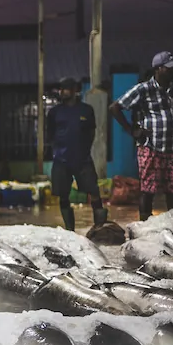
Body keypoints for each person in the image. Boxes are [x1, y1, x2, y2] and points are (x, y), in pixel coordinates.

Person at [111, 51, 173, 222]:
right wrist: (132, 130)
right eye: (168, 69)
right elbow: (115, 107)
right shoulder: (143, 89)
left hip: (172, 148)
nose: (172, 71)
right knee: (148, 191)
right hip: (151, 147)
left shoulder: (172, 89)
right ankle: (145, 229)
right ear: (158, 69)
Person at [47, 77, 107, 232]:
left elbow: (91, 132)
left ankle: (100, 227)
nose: (62, 91)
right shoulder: (54, 112)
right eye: (61, 88)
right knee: (63, 195)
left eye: (66, 88)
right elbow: (50, 134)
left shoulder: (86, 110)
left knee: (93, 191)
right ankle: (69, 229)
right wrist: (58, 150)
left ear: (74, 90)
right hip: (61, 159)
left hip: (83, 159)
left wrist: (84, 150)